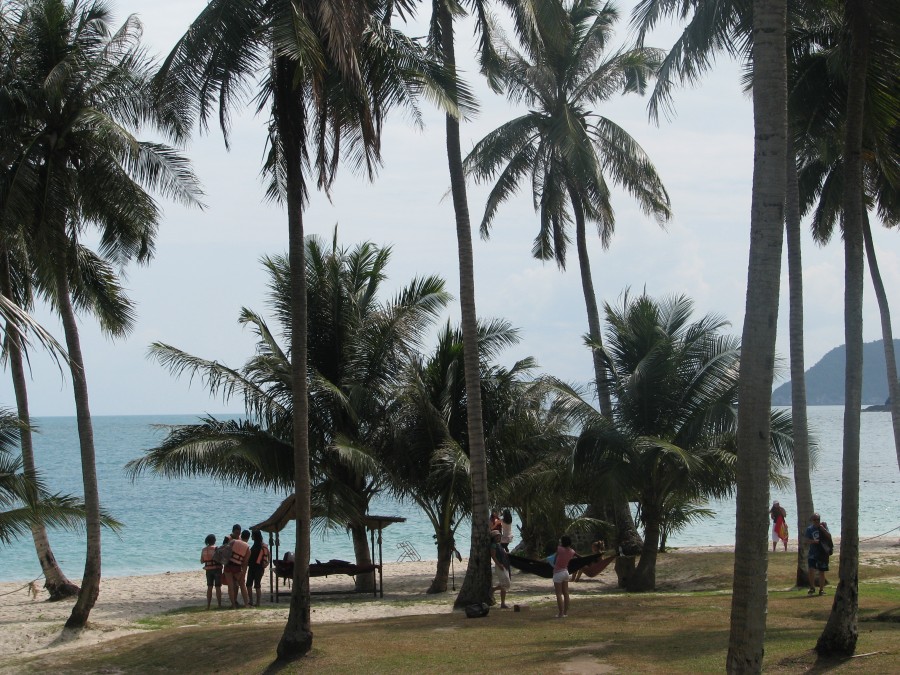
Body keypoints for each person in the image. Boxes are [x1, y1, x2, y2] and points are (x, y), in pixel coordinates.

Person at [552, 535, 577, 618]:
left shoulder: (559, 549)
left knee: (558, 594)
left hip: (558, 573)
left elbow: (555, 560)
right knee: (566, 593)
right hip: (566, 573)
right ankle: (565, 612)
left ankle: (560, 613)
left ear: (563, 542)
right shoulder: (572, 551)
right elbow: (578, 555)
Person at [804, 513, 829, 595]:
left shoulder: (823, 527)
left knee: (822, 571)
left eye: (818, 519)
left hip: (822, 553)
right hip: (812, 553)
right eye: (815, 520)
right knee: (811, 570)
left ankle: (821, 590)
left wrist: (823, 529)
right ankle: (812, 587)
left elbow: (829, 536)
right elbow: (806, 540)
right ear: (812, 520)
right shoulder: (809, 529)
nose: (816, 521)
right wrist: (814, 541)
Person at [225, 529, 251, 608]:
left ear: (241, 535)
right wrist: (243, 573)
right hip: (237, 567)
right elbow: (245, 562)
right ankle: (246, 604)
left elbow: (226, 551)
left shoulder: (233, 542)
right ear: (248, 538)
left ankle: (233, 605)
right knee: (242, 585)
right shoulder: (248, 549)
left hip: (228, 565)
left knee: (231, 586)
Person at [247, 529, 270, 607]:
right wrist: (268, 562)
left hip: (253, 567)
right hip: (259, 568)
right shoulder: (263, 545)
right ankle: (257, 602)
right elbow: (269, 554)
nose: (251, 536)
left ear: (254, 536)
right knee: (257, 585)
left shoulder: (255, 546)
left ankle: (251, 601)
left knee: (249, 584)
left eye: (252, 535)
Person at [200, 534, 223, 609]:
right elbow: (221, 559)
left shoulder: (204, 550)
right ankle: (219, 605)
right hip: (217, 569)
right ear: (214, 541)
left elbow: (202, 561)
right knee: (218, 587)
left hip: (208, 570)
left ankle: (208, 606)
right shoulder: (216, 548)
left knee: (209, 587)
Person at [489, 530, 510, 609]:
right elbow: (493, 556)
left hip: (504, 565)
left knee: (505, 585)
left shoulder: (499, 545)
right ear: (493, 538)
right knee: (506, 584)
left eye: (499, 536)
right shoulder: (493, 545)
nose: (498, 538)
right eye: (496, 536)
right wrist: (499, 564)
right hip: (499, 566)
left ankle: (503, 603)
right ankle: (493, 589)